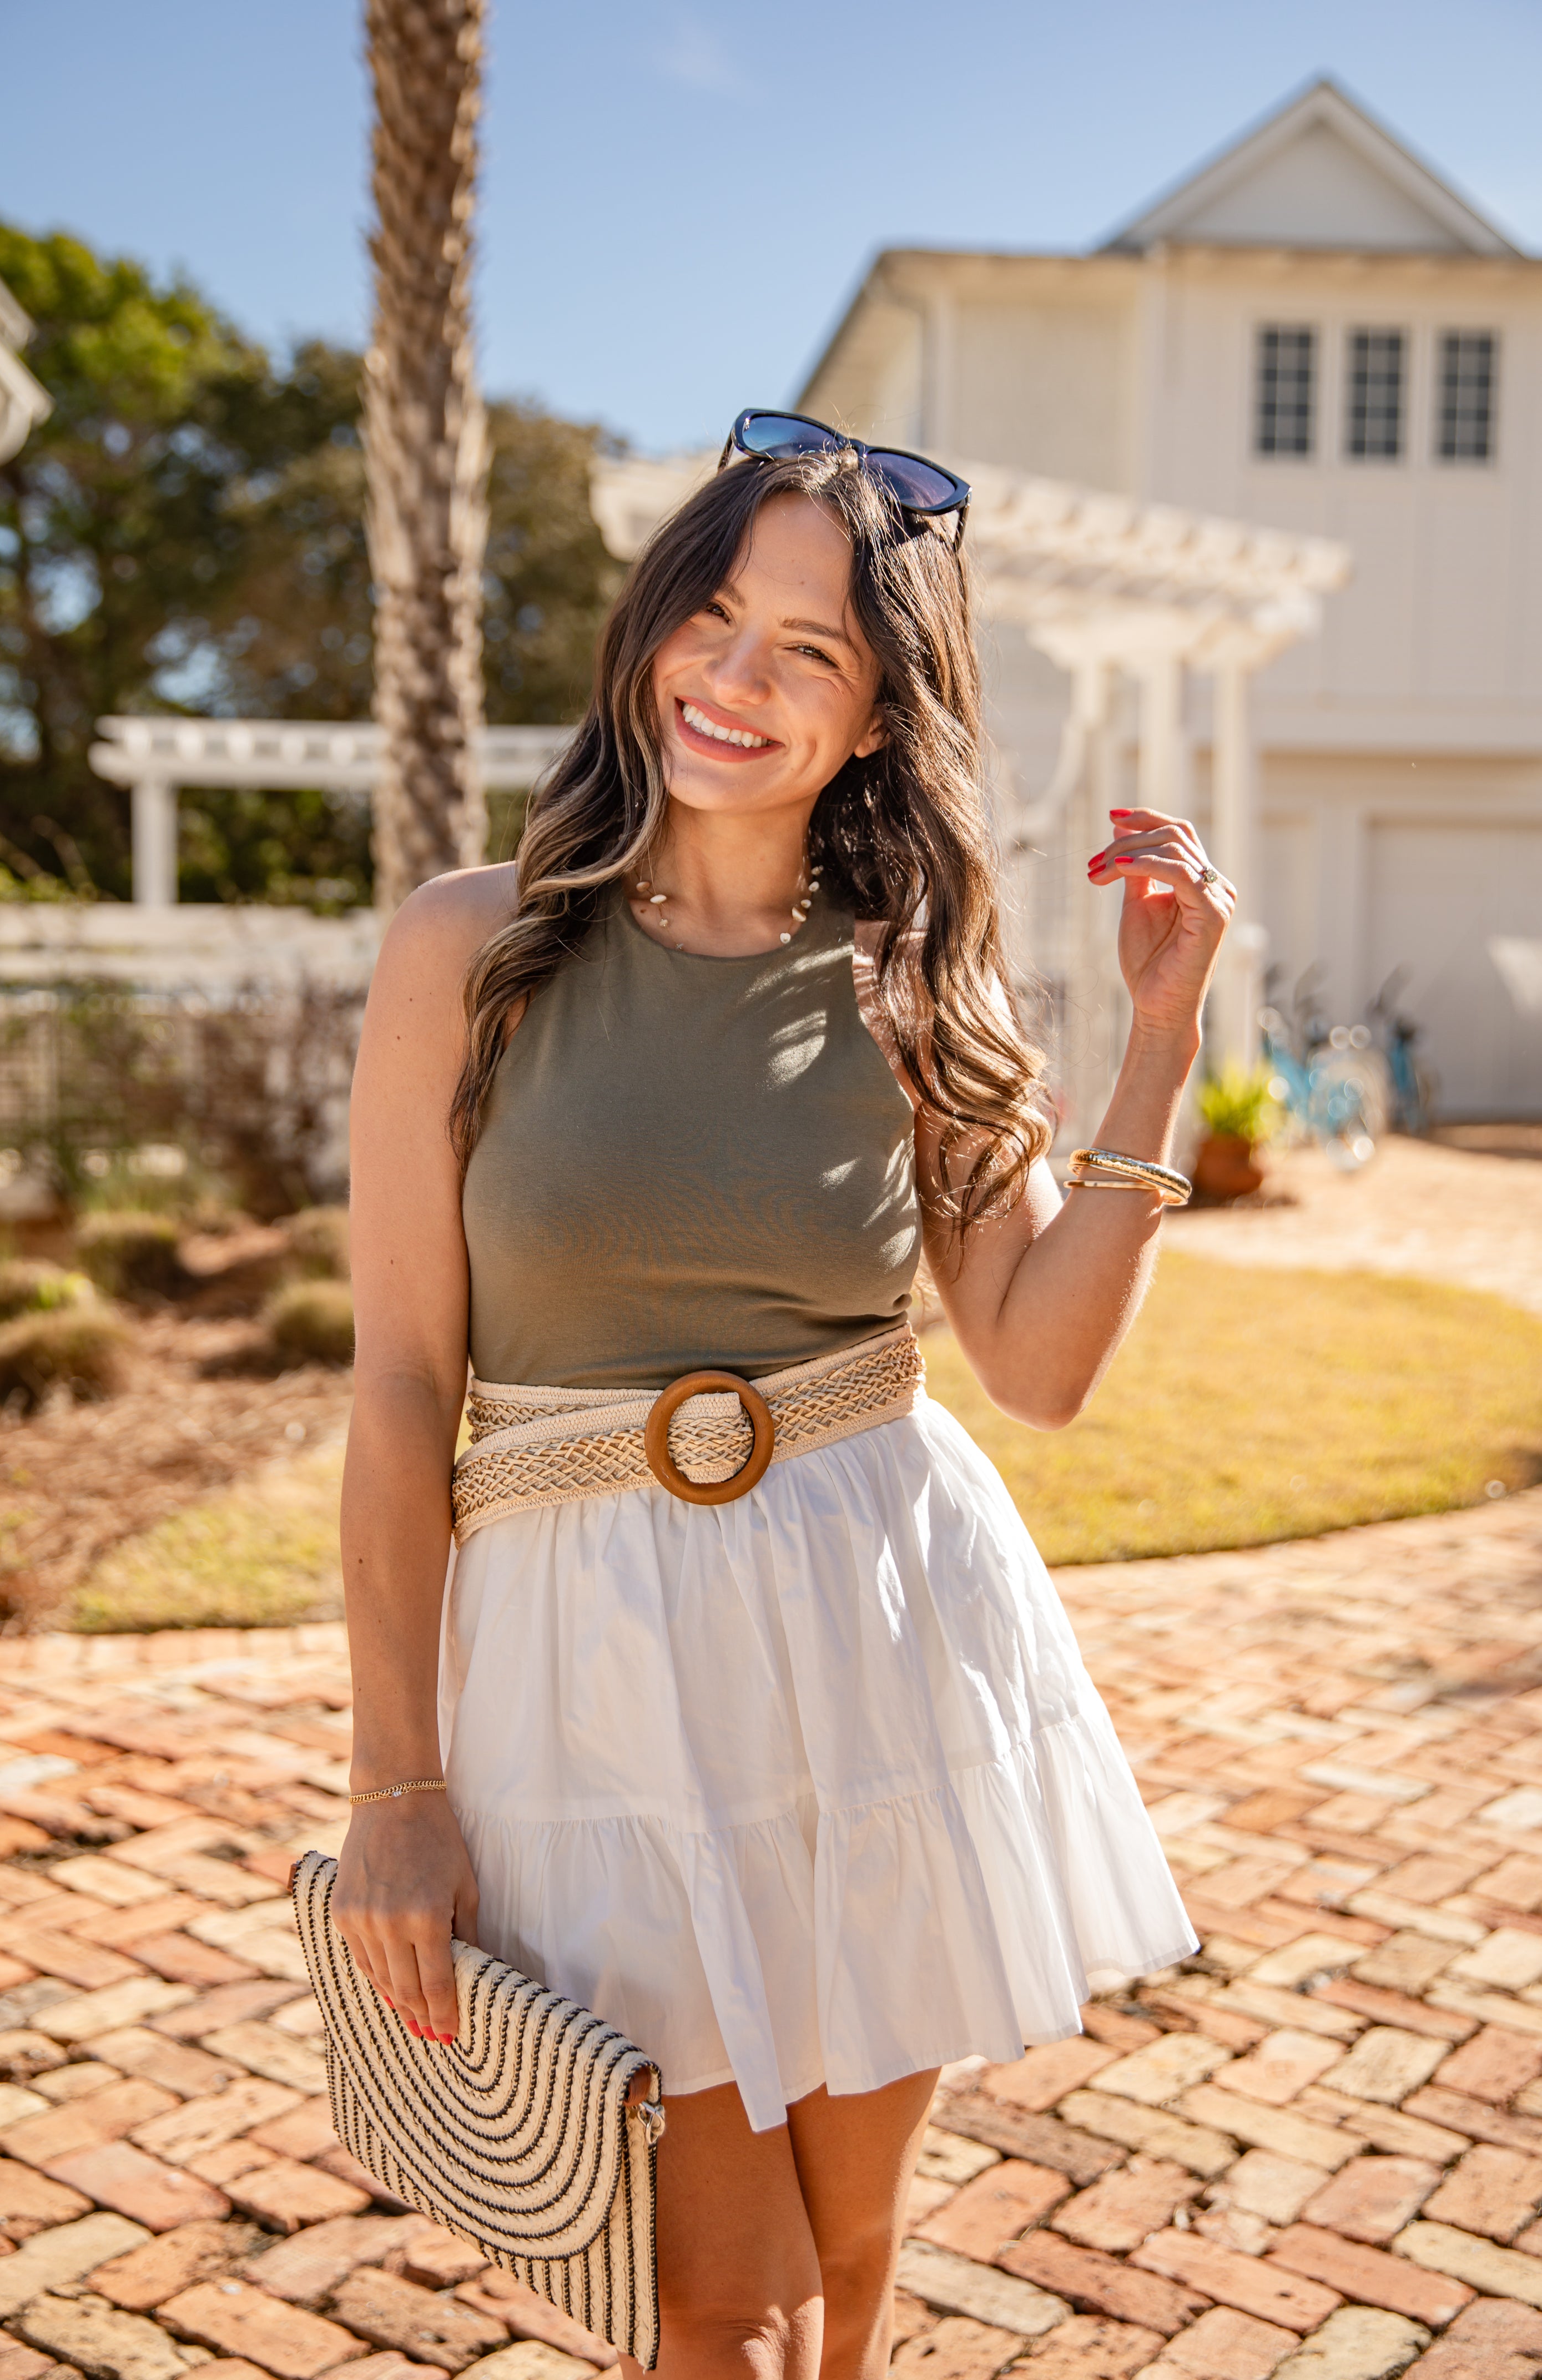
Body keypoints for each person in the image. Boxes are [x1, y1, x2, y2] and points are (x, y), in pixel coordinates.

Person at [332, 415, 1231, 2380]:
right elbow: (401, 1383)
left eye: (807, 651)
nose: (733, 682)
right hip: (591, 1684)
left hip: (877, 1642)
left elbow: (1038, 1365)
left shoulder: (923, 984)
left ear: (879, 718)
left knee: (854, 2256)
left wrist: (1154, 1050)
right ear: (650, 628)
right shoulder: (465, 954)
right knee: (705, 2303)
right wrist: (394, 1785)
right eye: (711, 617)